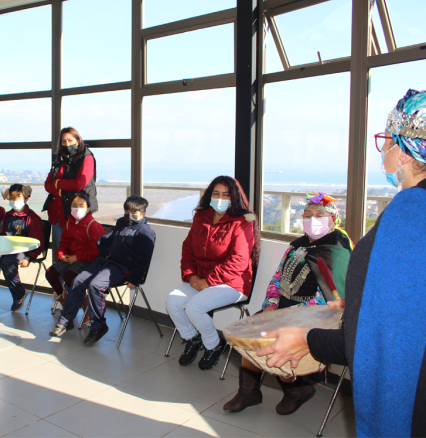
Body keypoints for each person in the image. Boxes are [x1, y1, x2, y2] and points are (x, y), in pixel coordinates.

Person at [255, 89, 426, 437]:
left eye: (387, 140)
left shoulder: (410, 214)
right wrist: (362, 301)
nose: (385, 152)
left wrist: (309, 340)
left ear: (405, 152)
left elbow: (385, 340)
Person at [222, 192, 353, 416]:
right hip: (280, 308)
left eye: (319, 215)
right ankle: (249, 392)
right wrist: (271, 305)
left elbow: (331, 300)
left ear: (333, 220)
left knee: (272, 336)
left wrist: (286, 315)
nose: (312, 219)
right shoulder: (296, 246)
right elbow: (277, 278)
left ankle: (295, 390)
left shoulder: (336, 250)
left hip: (312, 316)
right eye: (307, 214)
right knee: (251, 333)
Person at [165, 176, 260, 371]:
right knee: (173, 301)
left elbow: (239, 261)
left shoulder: (243, 222)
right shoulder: (201, 217)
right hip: (201, 279)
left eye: (226, 195)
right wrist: (191, 276)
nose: (220, 198)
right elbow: (188, 249)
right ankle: (192, 338)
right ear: (209, 195)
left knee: (194, 307)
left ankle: (214, 345)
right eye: (216, 193)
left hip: (233, 283)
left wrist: (208, 281)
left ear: (234, 198)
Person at [49, 195, 155, 345]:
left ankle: (99, 326)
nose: (129, 215)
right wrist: (102, 246)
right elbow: (109, 239)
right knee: (78, 280)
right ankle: (66, 321)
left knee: (95, 285)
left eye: (134, 212)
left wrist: (135, 278)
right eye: (127, 211)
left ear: (143, 214)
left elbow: (143, 259)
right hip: (105, 261)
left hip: (121, 267)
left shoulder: (145, 232)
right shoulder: (121, 222)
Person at [45, 191, 105, 317]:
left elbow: (96, 251)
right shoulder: (69, 223)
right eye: (74, 205)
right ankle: (67, 299)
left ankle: (80, 303)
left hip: (86, 260)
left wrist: (77, 257)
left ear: (88, 209)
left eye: (81, 205)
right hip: (70, 257)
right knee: (50, 273)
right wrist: (61, 254)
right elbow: (64, 243)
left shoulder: (93, 226)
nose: (77, 208)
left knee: (69, 276)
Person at [43, 127, 98, 251]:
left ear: (78, 141)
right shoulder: (59, 158)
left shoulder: (86, 157)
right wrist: (60, 190)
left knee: (76, 252)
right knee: (61, 251)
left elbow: (79, 183)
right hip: (56, 213)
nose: (67, 144)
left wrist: (57, 183)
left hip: (75, 212)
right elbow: (47, 184)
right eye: (63, 141)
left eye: (70, 140)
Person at [0, 184, 45, 311]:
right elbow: (2, 235)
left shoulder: (32, 218)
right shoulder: (7, 216)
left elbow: (39, 242)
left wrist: (29, 257)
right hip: (8, 249)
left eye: (18, 196)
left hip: (25, 251)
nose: (14, 200)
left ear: (26, 198)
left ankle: (19, 294)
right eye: (12, 197)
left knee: (7, 263)